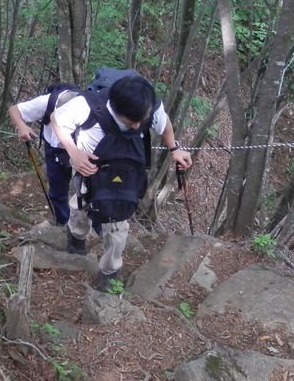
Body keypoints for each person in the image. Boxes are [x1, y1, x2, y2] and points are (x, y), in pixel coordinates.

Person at [51, 75, 193, 292]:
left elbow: (164, 126)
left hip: (127, 170)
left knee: (118, 222)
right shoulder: (86, 106)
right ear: (114, 107)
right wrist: (74, 153)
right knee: (80, 205)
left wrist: (175, 149)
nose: (137, 126)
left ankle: (109, 271)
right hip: (87, 166)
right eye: (130, 122)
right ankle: (76, 237)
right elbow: (56, 120)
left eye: (140, 121)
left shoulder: (148, 108)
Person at [8, 88, 80, 226]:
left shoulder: (87, 107)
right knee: (57, 190)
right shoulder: (47, 101)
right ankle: (62, 222)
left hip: (80, 148)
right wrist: (22, 126)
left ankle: (90, 227)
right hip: (54, 149)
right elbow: (14, 110)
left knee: (85, 189)